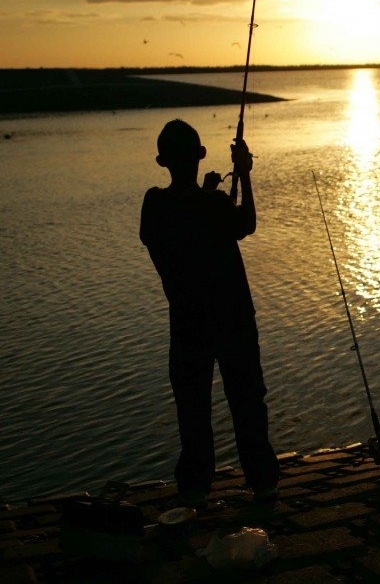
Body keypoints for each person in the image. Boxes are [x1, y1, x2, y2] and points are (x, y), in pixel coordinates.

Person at [140, 119, 279, 507]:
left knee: (192, 406)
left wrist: (206, 194)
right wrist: (245, 175)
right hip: (232, 319)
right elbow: (245, 224)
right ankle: (263, 482)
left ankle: (196, 488)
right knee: (247, 400)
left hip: (187, 323)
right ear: (201, 155)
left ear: (160, 160)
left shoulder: (153, 206)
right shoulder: (214, 204)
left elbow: (184, 218)